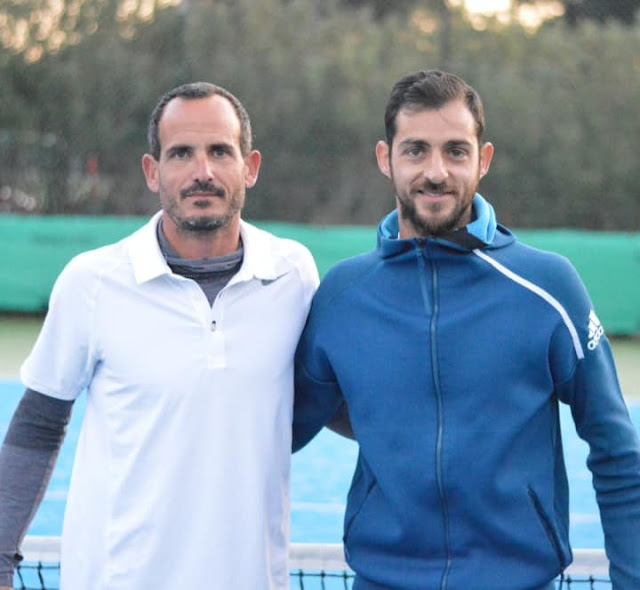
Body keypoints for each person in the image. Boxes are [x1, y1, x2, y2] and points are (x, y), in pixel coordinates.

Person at [292, 70, 640, 589]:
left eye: (456, 151)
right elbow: (279, 428)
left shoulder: (548, 287)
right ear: (386, 158)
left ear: (484, 159)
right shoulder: (342, 297)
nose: (436, 172)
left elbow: (617, 453)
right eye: (415, 150)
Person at [0, 82, 319, 590]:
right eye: (181, 154)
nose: (202, 171)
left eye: (220, 151)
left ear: (250, 167)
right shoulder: (91, 281)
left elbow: (321, 400)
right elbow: (37, 426)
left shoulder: (293, 275)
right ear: (153, 172)